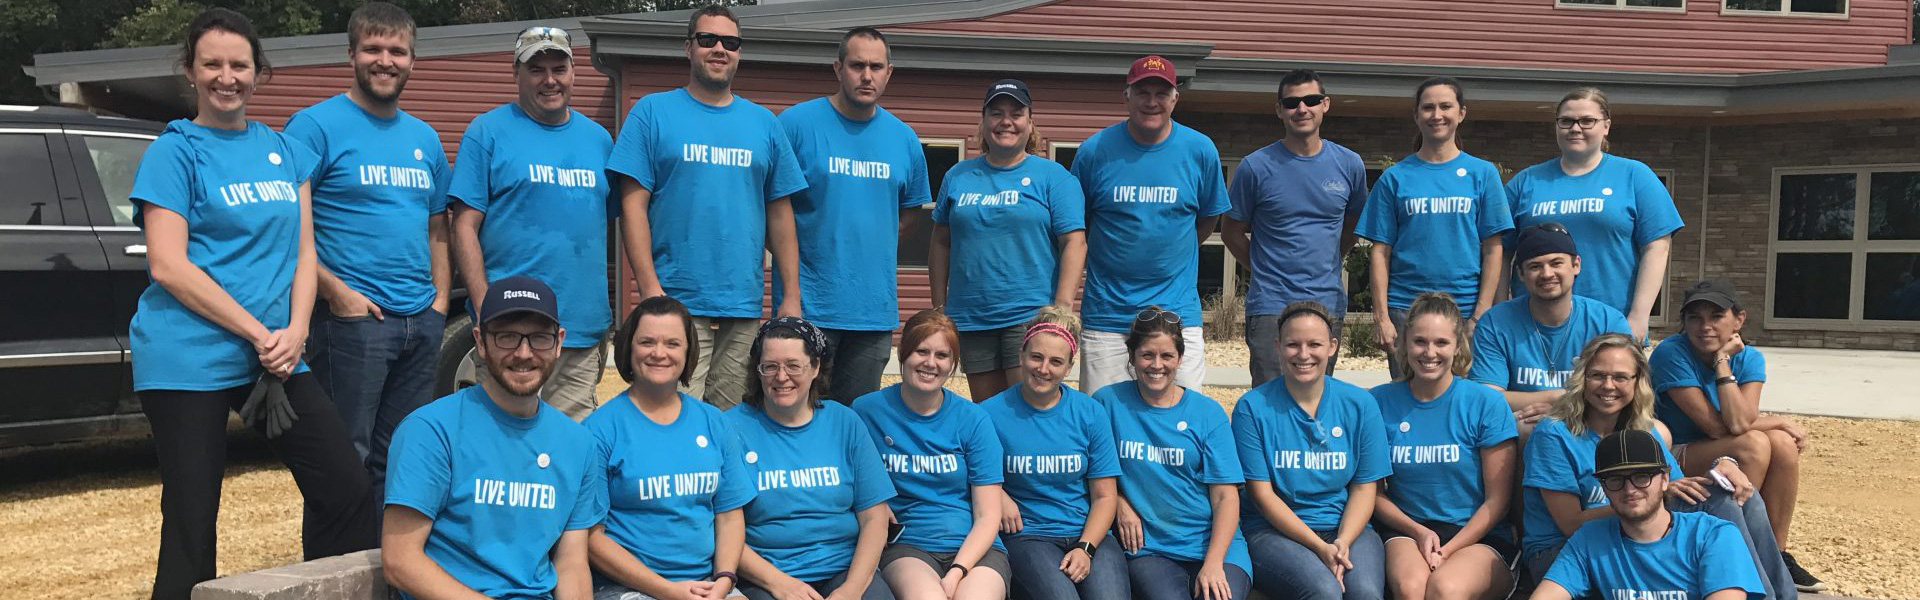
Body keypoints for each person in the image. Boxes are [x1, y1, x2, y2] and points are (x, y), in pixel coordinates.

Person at [128, 8, 377, 596]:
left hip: (275, 353)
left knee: (345, 487)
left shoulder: (286, 151)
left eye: (239, 64)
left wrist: (294, 329)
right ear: (190, 71)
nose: (226, 76)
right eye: (211, 63)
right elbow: (167, 264)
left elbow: (304, 254)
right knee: (193, 518)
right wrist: (259, 332)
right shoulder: (175, 151)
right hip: (186, 357)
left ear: (258, 72)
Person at [284, 1, 451, 498]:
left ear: (412, 61)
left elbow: (437, 226)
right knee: (342, 459)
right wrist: (336, 294)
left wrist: (439, 302)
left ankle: (387, 570)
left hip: (419, 321)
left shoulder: (424, 137)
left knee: (400, 461)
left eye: (397, 51)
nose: (386, 60)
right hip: (352, 325)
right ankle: (334, 570)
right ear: (351, 53)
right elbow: (289, 225)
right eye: (373, 48)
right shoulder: (314, 127)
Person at [613, 5, 807, 410]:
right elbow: (632, 208)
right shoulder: (652, 113)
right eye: (708, 40)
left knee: (731, 421)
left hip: (742, 304)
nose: (720, 49)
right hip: (675, 302)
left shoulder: (764, 123)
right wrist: (650, 290)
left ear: (739, 53)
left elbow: (780, 214)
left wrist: (791, 296)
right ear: (688, 48)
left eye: (730, 43)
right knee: (668, 414)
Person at [1522, 334, 1794, 599]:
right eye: (1597, 375)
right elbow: (1571, 524)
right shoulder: (1555, 434)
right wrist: (1652, 495)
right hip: (1566, 550)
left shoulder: (1641, 431)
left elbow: (1679, 489)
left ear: (1637, 381)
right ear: (1582, 378)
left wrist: (1725, 465)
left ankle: (1781, 595)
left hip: (1631, 532)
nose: (1608, 386)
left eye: (1620, 377)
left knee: (1732, 493)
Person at [383, 276, 604, 599]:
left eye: (539, 338)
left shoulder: (578, 443)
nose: (524, 353)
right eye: (507, 337)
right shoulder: (431, 430)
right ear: (481, 341)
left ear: (559, 342)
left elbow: (571, 562)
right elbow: (400, 559)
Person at [448, 25, 613, 420]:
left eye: (559, 67)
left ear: (574, 72)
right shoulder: (487, 132)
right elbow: (464, 226)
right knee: (502, 450)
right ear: (516, 74)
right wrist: (485, 307)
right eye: (537, 69)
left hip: (580, 329)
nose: (550, 79)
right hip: (511, 329)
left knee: (569, 453)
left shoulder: (599, 141)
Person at [777, 27, 931, 403]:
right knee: (794, 410)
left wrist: (868, 239)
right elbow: (774, 213)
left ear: (888, 73)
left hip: (873, 312)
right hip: (808, 306)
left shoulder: (904, 138)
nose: (867, 75)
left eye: (876, 66)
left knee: (855, 419)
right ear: (838, 68)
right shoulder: (796, 125)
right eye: (857, 65)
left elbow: (909, 216)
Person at [1070, 54, 1230, 393]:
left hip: (1177, 313)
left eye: (1161, 93)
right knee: (1104, 419)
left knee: (1180, 420)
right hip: (1108, 315)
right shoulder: (1094, 151)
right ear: (1126, 96)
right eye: (1143, 92)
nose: (1152, 102)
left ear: (1175, 98)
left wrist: (1174, 249)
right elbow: (1077, 227)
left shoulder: (1200, 150)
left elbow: (1207, 218)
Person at [585, 295, 758, 599]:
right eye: (647, 342)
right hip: (628, 587)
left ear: (689, 350)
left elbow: (729, 515)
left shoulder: (714, 422)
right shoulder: (599, 430)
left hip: (708, 584)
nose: (659, 353)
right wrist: (668, 591)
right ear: (629, 347)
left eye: (672, 343)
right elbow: (591, 537)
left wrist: (725, 580)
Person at [1651, 280, 1819, 592]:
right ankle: (1732, 550)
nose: (1705, 327)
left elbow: (1740, 420)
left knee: (1782, 444)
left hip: (1718, 446)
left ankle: (1776, 555)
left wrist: (1722, 363)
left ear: (1738, 320)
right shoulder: (1670, 354)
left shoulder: (1750, 357)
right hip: (1676, 452)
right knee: (1754, 444)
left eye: (1716, 316)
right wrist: (1774, 419)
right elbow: (1718, 427)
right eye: (1695, 318)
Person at [929, 79, 1087, 401]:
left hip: (1028, 315)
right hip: (972, 318)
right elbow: (940, 241)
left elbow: (1074, 243)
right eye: (996, 113)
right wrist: (939, 307)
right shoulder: (957, 176)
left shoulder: (1054, 178)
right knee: (988, 413)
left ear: (1030, 123)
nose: (1006, 121)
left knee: (1027, 409)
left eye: (1016, 113)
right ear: (984, 122)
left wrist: (1061, 309)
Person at [727, 316, 899, 600]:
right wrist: (778, 583)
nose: (781, 377)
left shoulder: (845, 422)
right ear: (757, 371)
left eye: (794, 365)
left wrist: (852, 589)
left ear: (816, 367)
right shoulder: (731, 429)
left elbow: (874, 518)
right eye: (770, 366)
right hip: (765, 575)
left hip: (843, 569)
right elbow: (723, 527)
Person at [1356, 76, 1514, 380]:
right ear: (1416, 115)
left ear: (1461, 113)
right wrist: (1381, 318)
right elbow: (1380, 253)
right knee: (1408, 400)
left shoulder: (1482, 174)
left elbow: (1493, 249)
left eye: (1445, 106)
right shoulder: (1395, 178)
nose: (1437, 115)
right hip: (1405, 309)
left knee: (1465, 402)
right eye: (1428, 108)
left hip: (1465, 308)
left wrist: (1481, 313)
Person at [1222, 68, 1369, 386]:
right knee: (1269, 402)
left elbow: (1354, 224)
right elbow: (1231, 230)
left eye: (1311, 100)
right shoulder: (1255, 167)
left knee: (1316, 398)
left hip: (1326, 302)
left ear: (1325, 104)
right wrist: (1261, 267)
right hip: (1270, 304)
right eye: (1291, 103)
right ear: (1279, 110)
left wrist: (1333, 257)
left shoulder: (1349, 165)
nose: (1301, 109)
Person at [1231, 302, 1387, 600]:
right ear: (1277, 346)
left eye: (1314, 344)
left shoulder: (1360, 404)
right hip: (1273, 531)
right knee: (1323, 591)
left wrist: (1342, 541)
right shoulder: (1252, 408)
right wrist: (1319, 548)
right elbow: (1262, 497)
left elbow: (1365, 488)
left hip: (1347, 528)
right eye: (1293, 344)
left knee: (1365, 593)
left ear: (1332, 346)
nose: (1303, 354)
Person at [1369, 293, 1519, 600]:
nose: (1429, 352)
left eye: (1441, 343)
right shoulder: (1378, 402)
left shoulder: (1485, 403)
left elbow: (1497, 502)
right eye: (1420, 341)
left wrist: (1448, 549)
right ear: (1405, 343)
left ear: (1457, 346)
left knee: (1444, 590)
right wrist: (1419, 532)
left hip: (1478, 535)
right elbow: (1373, 493)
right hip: (1408, 529)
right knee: (1412, 589)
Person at [852, 309, 1010, 599]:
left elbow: (988, 515)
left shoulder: (973, 419)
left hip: (975, 548)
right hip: (909, 546)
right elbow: (850, 474)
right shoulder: (867, 411)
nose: (930, 363)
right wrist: (873, 502)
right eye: (921, 351)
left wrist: (957, 571)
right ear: (903, 354)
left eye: (942, 355)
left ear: (953, 364)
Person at [1503, 87, 1683, 342]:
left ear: (1606, 126)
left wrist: (1639, 316)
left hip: (1612, 322)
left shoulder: (1634, 175)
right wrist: (1499, 308)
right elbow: (1500, 251)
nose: (1575, 128)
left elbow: (1657, 248)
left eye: (1587, 121)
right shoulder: (1527, 181)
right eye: (1566, 121)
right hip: (1532, 326)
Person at [1100, 307, 1251, 600]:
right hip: (1151, 548)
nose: (1157, 364)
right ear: (1132, 356)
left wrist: (1213, 563)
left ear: (1180, 359)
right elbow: (1092, 472)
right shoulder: (1109, 403)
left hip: (1216, 545)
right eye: (1147, 355)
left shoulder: (1207, 413)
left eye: (1167, 356)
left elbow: (1225, 496)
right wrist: (1118, 501)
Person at [981, 307, 1130, 600]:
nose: (1044, 369)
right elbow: (969, 470)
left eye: (1056, 361)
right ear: (1021, 355)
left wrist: (1086, 547)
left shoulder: (1090, 413)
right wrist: (997, 492)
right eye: (1036, 357)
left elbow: (1104, 496)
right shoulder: (989, 414)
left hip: (1086, 532)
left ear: (1070, 366)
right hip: (1028, 536)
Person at [1529, 429, 1766, 600]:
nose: (1630, 489)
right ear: (1603, 489)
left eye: (1642, 477)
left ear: (1665, 479)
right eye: (1615, 480)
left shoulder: (1713, 535)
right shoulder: (1590, 540)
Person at [1469, 224, 1629, 436]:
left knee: (1659, 432)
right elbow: (1487, 396)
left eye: (1556, 263)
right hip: (1525, 423)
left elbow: (1627, 389)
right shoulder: (1496, 322)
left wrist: (1564, 408)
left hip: (1595, 419)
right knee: (1534, 428)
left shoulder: (1608, 321)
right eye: (1535, 266)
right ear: (1521, 273)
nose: (1546, 274)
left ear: (1576, 265)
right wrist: (1558, 399)